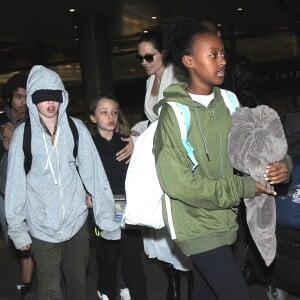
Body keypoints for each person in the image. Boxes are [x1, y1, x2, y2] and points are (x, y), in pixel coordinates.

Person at [153, 16, 290, 300]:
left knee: (206, 293)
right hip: (194, 224)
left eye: (223, 54)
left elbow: (256, 146)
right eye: (213, 55)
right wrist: (245, 188)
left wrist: (283, 166)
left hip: (225, 222)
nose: (222, 61)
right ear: (189, 61)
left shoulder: (229, 102)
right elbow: (179, 185)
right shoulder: (174, 114)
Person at [5, 65, 120, 300]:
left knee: (78, 285)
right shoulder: (22, 136)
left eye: (55, 96)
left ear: (62, 97)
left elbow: (95, 176)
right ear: (32, 99)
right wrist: (17, 229)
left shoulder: (76, 130)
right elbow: (15, 184)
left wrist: (107, 220)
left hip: (76, 223)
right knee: (50, 289)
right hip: (41, 226)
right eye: (42, 96)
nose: (50, 102)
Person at [131, 30, 191, 300]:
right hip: (156, 153)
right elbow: (152, 119)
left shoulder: (177, 75)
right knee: (160, 222)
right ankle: (174, 282)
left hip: (176, 152)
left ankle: (189, 282)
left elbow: (179, 115)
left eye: (148, 56)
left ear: (163, 54)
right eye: (139, 57)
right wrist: (136, 131)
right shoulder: (148, 82)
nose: (144, 62)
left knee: (178, 219)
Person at [88, 94, 148, 300]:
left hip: (124, 206)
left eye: (114, 111)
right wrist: (85, 193)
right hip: (102, 208)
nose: (110, 116)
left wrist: (134, 142)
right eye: (104, 112)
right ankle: (106, 292)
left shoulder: (126, 142)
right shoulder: (88, 145)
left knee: (132, 257)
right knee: (107, 257)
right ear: (93, 118)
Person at [0, 73, 34, 299]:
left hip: (28, 189)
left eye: (26, 97)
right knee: (12, 237)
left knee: (27, 238)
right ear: (10, 99)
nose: (22, 102)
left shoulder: (34, 122)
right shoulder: (2, 121)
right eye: (18, 97)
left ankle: (27, 285)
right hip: (3, 190)